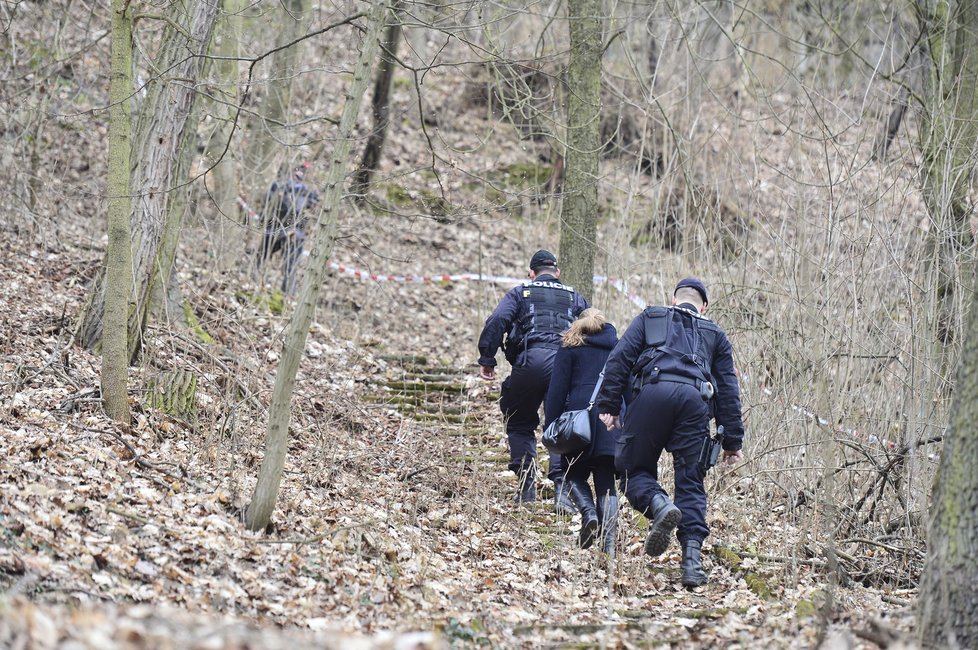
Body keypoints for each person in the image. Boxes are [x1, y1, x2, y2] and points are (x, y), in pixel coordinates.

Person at [596, 277, 744, 587]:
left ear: (674, 300)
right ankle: (691, 564)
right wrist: (732, 439)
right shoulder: (715, 333)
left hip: (651, 395)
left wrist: (608, 405)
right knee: (690, 482)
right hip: (695, 403)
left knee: (633, 471)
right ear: (703, 307)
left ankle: (660, 505)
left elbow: (619, 359)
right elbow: (728, 388)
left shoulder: (650, 316)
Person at [478, 250, 590, 512]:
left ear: (531, 273)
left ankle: (527, 484)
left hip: (530, 361)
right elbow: (596, 328)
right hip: (565, 364)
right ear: (557, 273)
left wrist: (487, 358)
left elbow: (497, 320)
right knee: (561, 426)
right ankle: (561, 489)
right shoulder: (575, 297)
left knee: (518, 421)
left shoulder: (520, 292)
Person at [543, 308, 621, 555]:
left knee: (571, 473)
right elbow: (628, 389)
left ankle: (588, 514)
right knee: (606, 482)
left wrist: (551, 425)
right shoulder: (618, 348)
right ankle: (608, 549)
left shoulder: (570, 345)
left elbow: (556, 390)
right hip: (610, 421)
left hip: (578, 421)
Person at [256, 164, 320, 294]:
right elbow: (267, 205)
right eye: (297, 173)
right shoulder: (279, 187)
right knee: (262, 256)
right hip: (277, 229)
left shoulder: (309, 194)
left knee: (289, 266)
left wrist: (297, 230)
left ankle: (287, 294)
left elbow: (310, 214)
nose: (297, 177)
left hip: (292, 233)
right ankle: (256, 281)